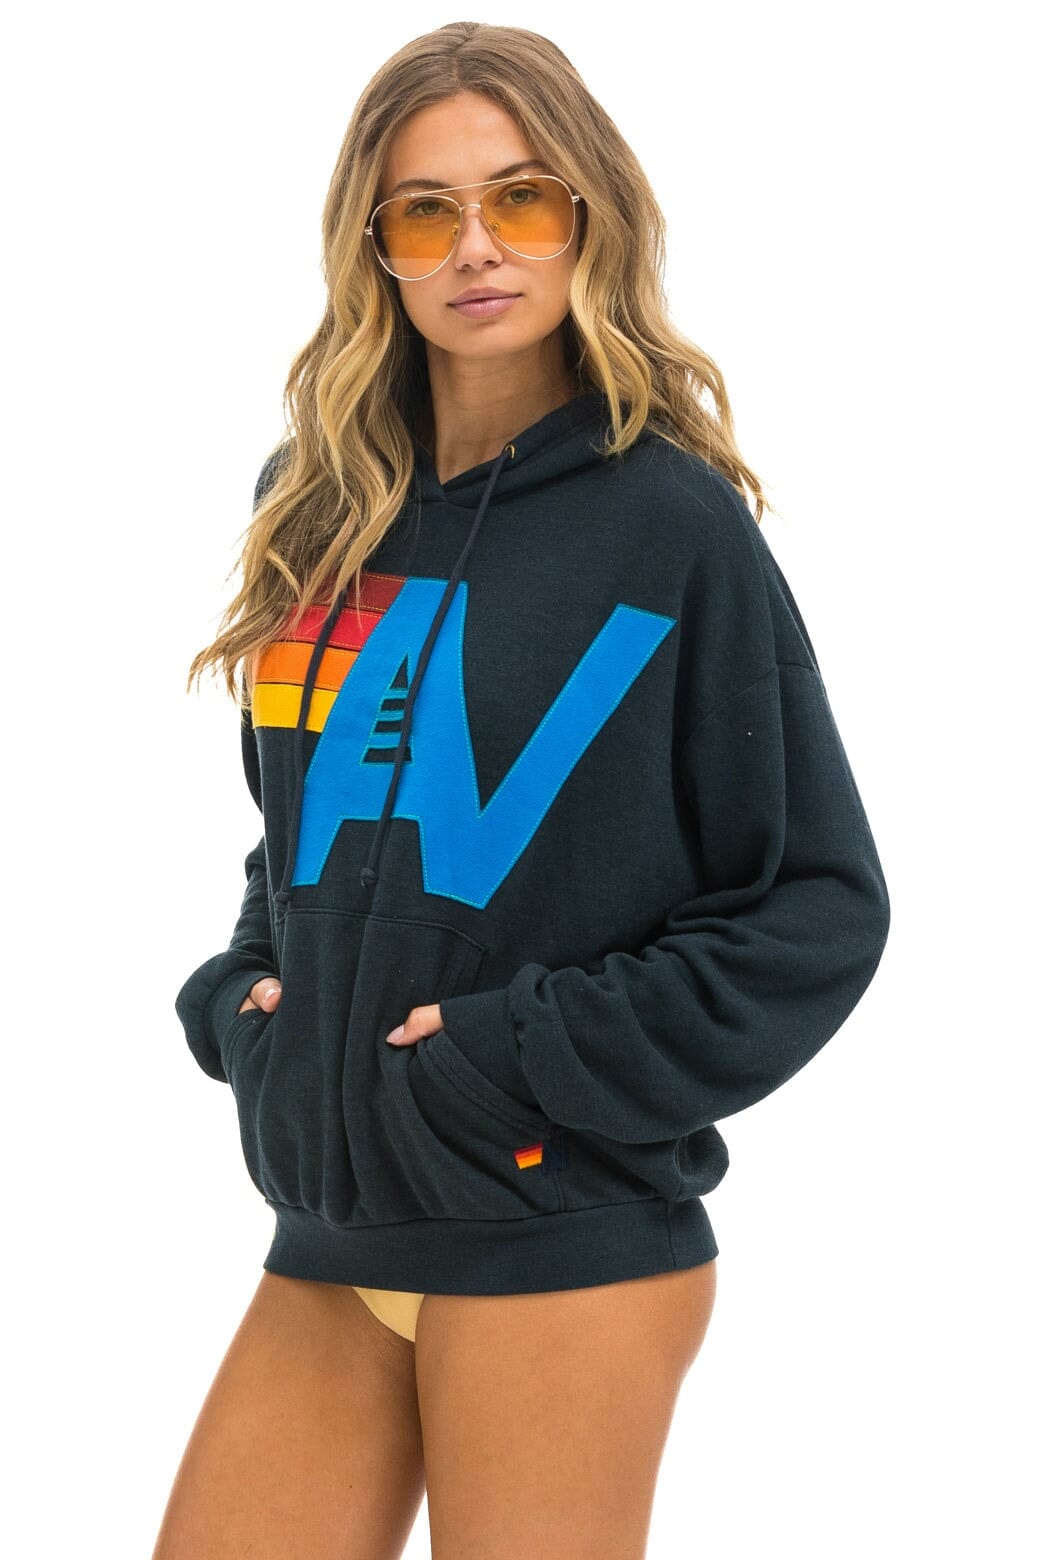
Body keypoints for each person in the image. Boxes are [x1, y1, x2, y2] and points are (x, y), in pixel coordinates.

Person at [154, 21, 891, 1560]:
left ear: (587, 217)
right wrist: (248, 1001)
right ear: (376, 248)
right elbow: (306, 832)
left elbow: (814, 906)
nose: (477, 245)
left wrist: (518, 1056)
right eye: (426, 210)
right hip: (332, 1230)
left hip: (564, 1237)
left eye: (522, 198)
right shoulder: (318, 509)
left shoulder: (670, 527)